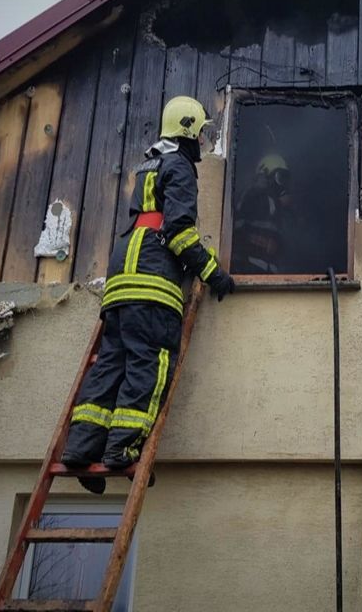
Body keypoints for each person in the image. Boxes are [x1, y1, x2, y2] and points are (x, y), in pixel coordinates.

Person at [61, 95, 235, 491]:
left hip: (121, 275)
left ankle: (81, 448)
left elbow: (152, 220)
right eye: (201, 133)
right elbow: (178, 232)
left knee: (110, 365)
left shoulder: (149, 166)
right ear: (188, 131)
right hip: (151, 280)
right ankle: (121, 449)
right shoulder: (181, 168)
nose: (203, 142)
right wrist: (214, 274)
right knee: (149, 364)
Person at [231, 152, 294, 273]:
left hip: (267, 271)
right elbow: (260, 207)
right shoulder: (251, 195)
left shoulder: (277, 215)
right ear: (267, 176)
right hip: (245, 267)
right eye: (280, 178)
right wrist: (280, 203)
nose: (282, 184)